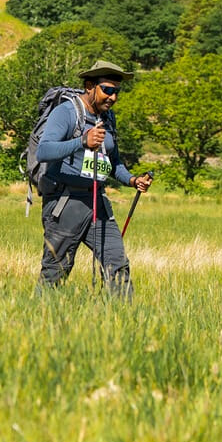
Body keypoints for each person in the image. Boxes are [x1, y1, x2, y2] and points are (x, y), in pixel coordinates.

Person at [33, 59, 152, 298]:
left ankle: (123, 323)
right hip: (66, 202)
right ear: (89, 86)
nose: (113, 97)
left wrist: (131, 180)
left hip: (98, 201)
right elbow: (43, 151)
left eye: (116, 91)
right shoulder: (66, 112)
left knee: (117, 264)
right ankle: (39, 320)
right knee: (56, 270)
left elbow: (113, 161)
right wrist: (81, 142)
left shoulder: (109, 119)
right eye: (107, 90)